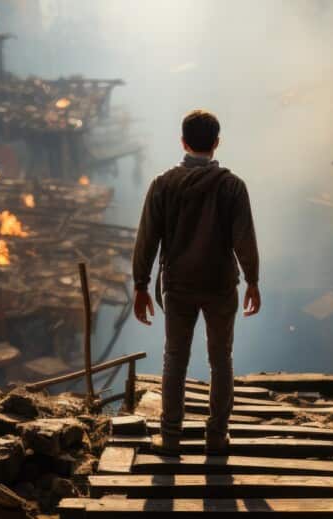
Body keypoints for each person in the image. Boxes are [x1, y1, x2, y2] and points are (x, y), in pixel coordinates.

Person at [132, 109, 260, 456]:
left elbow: (147, 239)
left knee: (175, 358)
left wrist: (141, 286)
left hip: (178, 286)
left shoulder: (163, 184)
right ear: (216, 144)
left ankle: (171, 436)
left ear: (183, 142)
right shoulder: (233, 186)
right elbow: (244, 239)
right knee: (221, 360)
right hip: (220, 285)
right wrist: (252, 280)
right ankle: (217, 436)